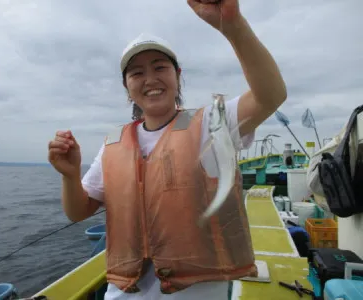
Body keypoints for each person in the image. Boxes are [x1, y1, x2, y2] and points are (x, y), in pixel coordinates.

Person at [48, 0, 287, 299]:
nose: (150, 79)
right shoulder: (113, 143)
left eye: (160, 67)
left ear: (178, 75)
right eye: (136, 73)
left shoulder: (212, 121)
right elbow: (78, 211)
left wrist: (233, 25)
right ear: (127, 86)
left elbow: (271, 95)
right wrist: (70, 176)